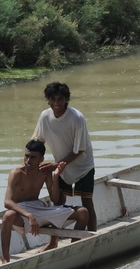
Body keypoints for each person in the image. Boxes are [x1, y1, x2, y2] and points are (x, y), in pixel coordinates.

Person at [1, 140, 89, 263]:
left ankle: (73, 250)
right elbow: (7, 202)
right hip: (22, 213)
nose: (28, 161)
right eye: (26, 156)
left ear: (41, 159)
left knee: (83, 212)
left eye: (33, 157)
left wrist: (56, 176)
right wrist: (29, 216)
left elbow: (54, 199)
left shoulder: (45, 172)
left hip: (40, 209)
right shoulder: (16, 173)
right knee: (8, 215)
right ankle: (5, 258)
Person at [31, 81, 97, 231]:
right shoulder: (44, 116)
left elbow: (79, 149)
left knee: (87, 202)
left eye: (60, 99)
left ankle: (93, 234)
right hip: (61, 166)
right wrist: (31, 161)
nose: (56, 103)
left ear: (66, 99)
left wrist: (56, 165)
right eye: (52, 99)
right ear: (48, 99)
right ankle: (54, 241)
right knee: (58, 203)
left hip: (83, 166)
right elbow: (38, 141)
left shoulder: (76, 118)